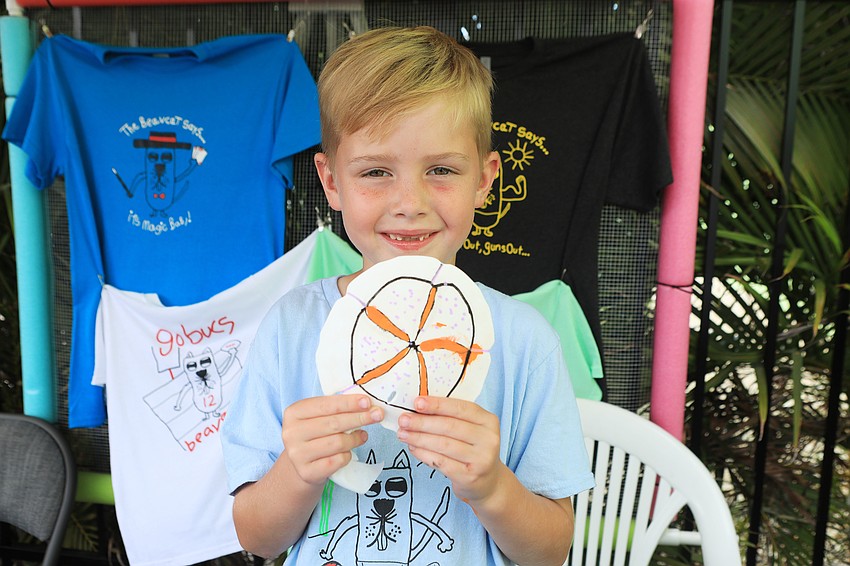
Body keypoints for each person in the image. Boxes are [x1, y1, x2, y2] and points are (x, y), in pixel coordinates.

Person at [220, 25, 594, 565]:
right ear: (331, 182)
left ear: (485, 179)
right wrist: (297, 471)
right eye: (376, 172)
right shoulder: (293, 326)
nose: (409, 202)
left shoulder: (525, 341)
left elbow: (551, 550)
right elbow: (256, 537)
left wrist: (493, 488)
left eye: (441, 170)